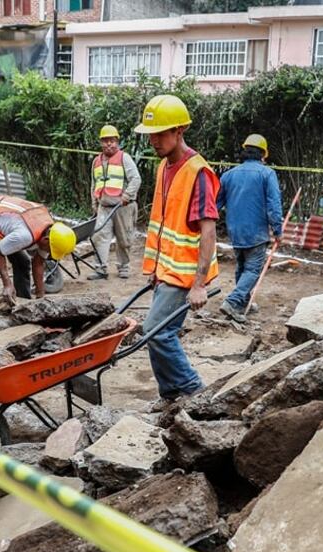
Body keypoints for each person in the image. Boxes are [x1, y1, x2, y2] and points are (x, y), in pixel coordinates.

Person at [133, 94, 219, 406]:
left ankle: (194, 390)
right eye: (150, 134)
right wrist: (156, 269)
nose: (153, 141)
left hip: (184, 273)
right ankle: (170, 394)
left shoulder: (198, 172)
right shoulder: (163, 167)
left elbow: (208, 230)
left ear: (179, 130)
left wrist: (199, 284)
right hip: (166, 270)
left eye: (160, 133)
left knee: (156, 332)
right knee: (155, 332)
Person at [0, 194, 77, 320]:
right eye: (50, 250)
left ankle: (24, 307)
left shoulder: (50, 233)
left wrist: (41, 298)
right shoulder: (25, 235)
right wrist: (7, 284)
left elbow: (38, 262)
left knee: (23, 262)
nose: (49, 253)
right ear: (45, 240)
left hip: (4, 221)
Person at [215, 133, 282, 323]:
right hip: (256, 231)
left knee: (242, 267)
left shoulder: (228, 175)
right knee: (252, 270)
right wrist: (277, 230)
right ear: (263, 154)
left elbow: (215, 204)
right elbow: (274, 204)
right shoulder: (267, 174)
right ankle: (232, 301)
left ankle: (242, 302)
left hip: (235, 231)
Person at [88, 124, 142, 281]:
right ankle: (100, 269)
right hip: (104, 207)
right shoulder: (96, 161)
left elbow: (136, 179)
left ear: (117, 142)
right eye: (105, 141)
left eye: (112, 140)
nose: (109, 144)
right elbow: (94, 184)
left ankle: (124, 267)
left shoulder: (124, 158)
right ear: (101, 142)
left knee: (124, 239)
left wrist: (127, 195)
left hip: (123, 206)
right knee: (99, 236)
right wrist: (94, 203)